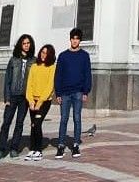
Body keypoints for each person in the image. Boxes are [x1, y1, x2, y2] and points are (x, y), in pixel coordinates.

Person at [0, 33, 35, 161]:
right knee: (6, 123)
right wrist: (7, 98)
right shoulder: (13, 60)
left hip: (25, 98)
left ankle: (14, 149)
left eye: (28, 43)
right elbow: (7, 80)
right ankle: (0, 149)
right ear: (20, 45)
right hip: (13, 96)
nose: (26, 46)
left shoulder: (33, 61)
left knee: (19, 123)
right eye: (24, 43)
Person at [54, 27, 92, 158]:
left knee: (77, 118)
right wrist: (58, 93)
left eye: (77, 39)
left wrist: (86, 91)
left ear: (80, 40)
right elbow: (58, 75)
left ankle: (76, 145)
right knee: (63, 119)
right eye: (73, 38)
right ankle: (61, 145)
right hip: (64, 93)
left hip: (78, 92)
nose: (75, 41)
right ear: (70, 39)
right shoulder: (63, 56)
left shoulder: (84, 56)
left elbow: (87, 74)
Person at [23, 43, 56, 160]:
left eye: (46, 54)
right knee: (33, 125)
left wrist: (40, 102)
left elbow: (50, 86)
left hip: (44, 101)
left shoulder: (52, 67)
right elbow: (29, 85)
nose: (43, 55)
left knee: (37, 123)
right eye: (42, 52)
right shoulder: (34, 66)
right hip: (33, 100)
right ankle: (32, 149)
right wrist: (31, 101)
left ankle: (38, 150)